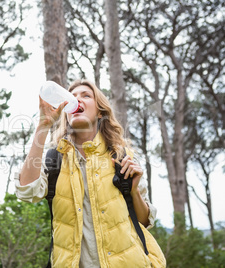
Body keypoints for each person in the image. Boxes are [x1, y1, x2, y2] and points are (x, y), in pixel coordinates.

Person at [15, 79, 165, 267]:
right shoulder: (55, 160)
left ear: (100, 110)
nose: (77, 99)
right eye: (73, 96)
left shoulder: (121, 157)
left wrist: (134, 191)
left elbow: (143, 221)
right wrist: (43, 127)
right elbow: (27, 192)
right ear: (67, 113)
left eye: (86, 95)